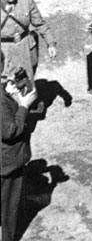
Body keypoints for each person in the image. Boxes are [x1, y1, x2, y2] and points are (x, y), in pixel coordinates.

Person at [1, 50, 38, 241]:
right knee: (8, 210)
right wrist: (23, 105)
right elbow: (9, 131)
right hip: (7, 163)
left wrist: (7, 91)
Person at [1, 0, 57, 81]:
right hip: (4, 51)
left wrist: (51, 43)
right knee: (7, 85)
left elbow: (39, 23)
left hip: (26, 47)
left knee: (28, 81)